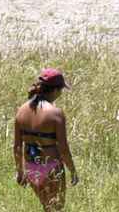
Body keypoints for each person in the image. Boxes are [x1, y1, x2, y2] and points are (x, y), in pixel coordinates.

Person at [12, 69, 76, 210]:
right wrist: (72, 170)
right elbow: (64, 149)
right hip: (51, 167)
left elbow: (17, 147)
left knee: (46, 206)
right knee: (56, 208)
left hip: (31, 166)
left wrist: (20, 171)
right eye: (60, 90)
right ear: (54, 90)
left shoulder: (21, 110)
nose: (60, 94)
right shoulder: (56, 114)